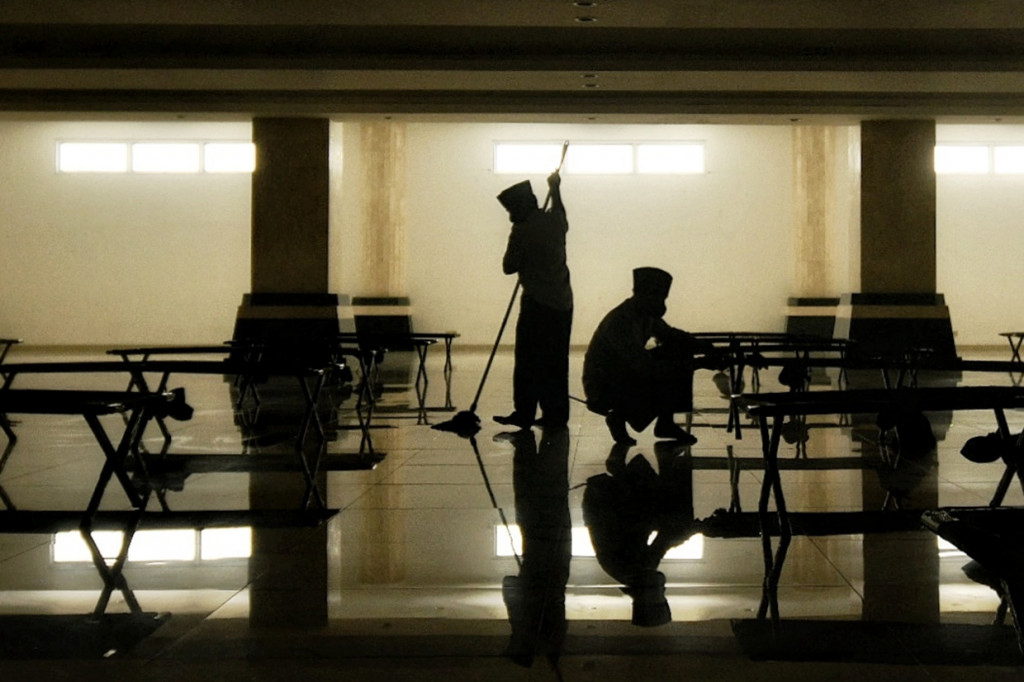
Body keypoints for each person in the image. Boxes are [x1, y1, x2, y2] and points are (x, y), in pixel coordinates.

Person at [583, 267, 713, 446]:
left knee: (678, 348)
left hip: (624, 375)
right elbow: (645, 367)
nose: (661, 301)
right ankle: (618, 416)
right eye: (657, 296)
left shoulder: (645, 314)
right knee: (666, 369)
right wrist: (699, 363)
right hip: (604, 386)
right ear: (643, 294)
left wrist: (706, 347)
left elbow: (672, 336)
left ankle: (665, 424)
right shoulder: (621, 321)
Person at [493, 172, 573, 430]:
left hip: (537, 305)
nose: (510, 216)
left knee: (528, 361)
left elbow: (508, 267)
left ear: (521, 208)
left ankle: (524, 412)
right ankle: (556, 414)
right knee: (556, 361)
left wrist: (520, 247)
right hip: (562, 303)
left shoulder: (522, 230)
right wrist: (556, 188)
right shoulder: (554, 222)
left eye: (511, 210)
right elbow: (560, 211)